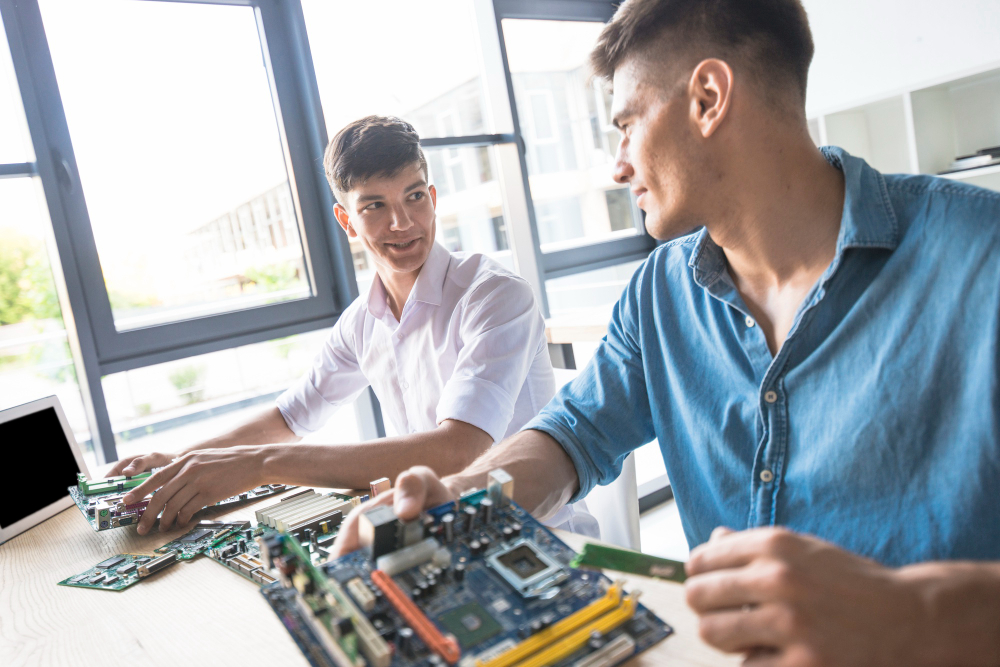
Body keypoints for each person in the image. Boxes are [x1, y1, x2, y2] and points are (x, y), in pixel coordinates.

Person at [330, 0, 1000, 664]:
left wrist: (913, 611)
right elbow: (571, 435)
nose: (618, 165)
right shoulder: (659, 293)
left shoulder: (984, 259)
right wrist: (463, 499)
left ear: (708, 98)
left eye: (626, 125)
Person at [111, 116, 596, 538]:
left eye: (412, 197)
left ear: (431, 197)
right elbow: (287, 420)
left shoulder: (494, 294)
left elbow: (458, 450)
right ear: (347, 221)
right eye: (375, 206)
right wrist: (181, 460)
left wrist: (260, 466)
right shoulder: (361, 323)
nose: (402, 222)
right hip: (434, 534)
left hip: (535, 538)